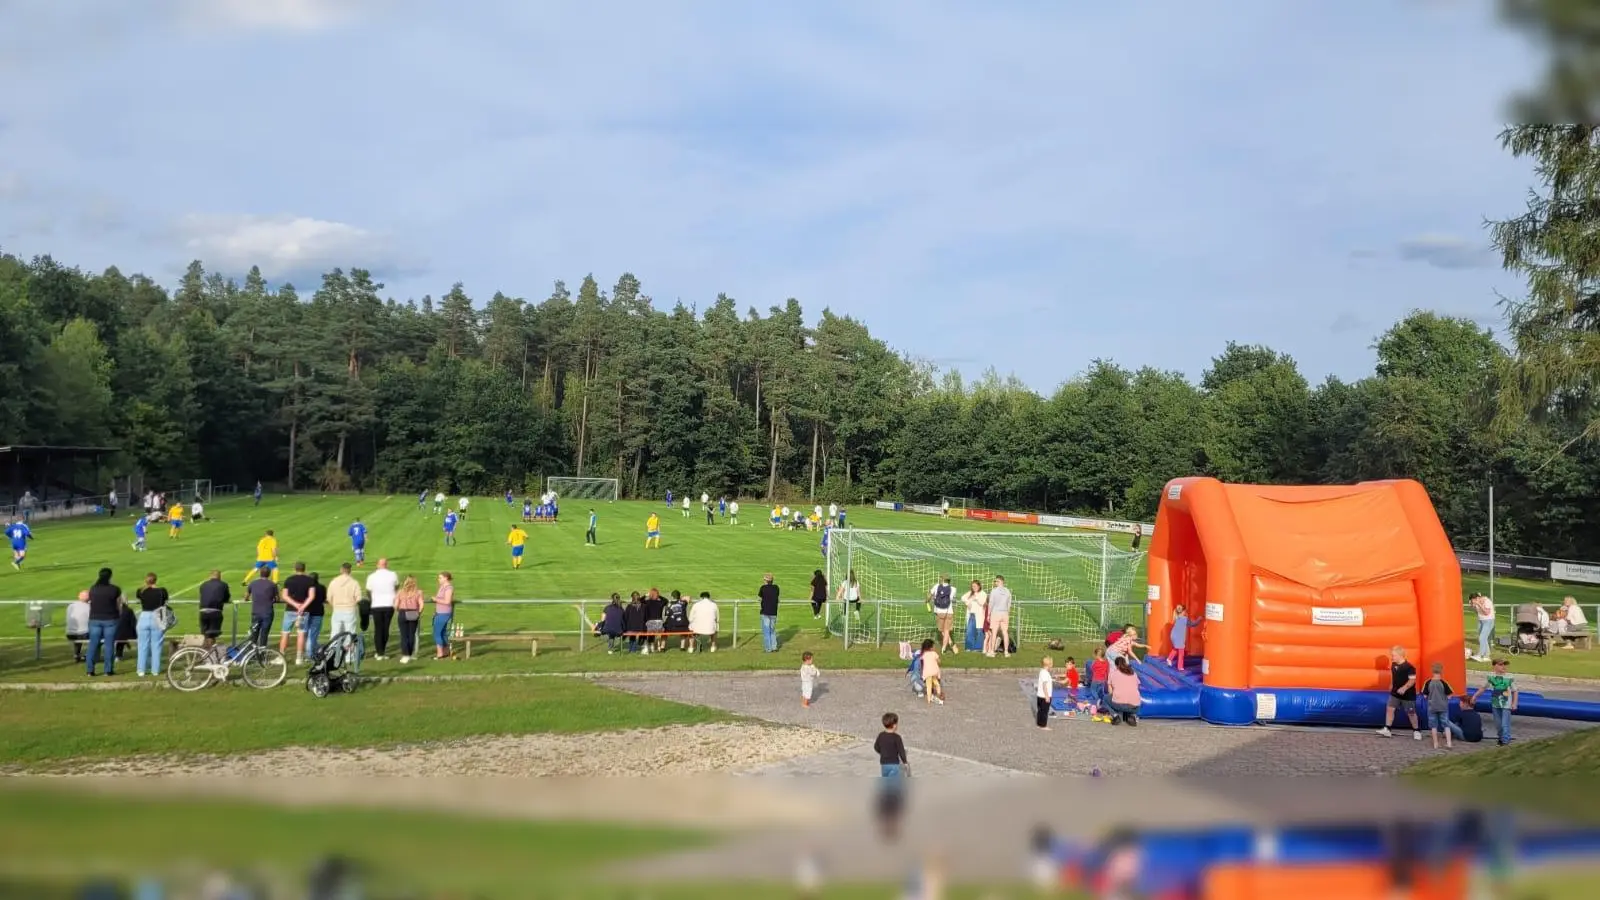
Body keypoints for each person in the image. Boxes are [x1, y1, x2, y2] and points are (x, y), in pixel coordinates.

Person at [873, 712, 909, 841]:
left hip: (884, 765)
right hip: (894, 765)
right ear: (894, 725)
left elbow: (876, 747)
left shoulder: (881, 736)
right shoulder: (896, 738)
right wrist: (905, 762)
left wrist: (883, 752)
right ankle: (892, 825)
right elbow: (901, 751)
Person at [84, 568, 123, 676]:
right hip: (110, 619)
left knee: (93, 644)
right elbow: (119, 604)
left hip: (95, 619)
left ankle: (90, 670)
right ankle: (108, 670)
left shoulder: (93, 588)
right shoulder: (114, 589)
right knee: (109, 645)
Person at [1471, 658, 1518, 746]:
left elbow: (1515, 691)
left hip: (1506, 704)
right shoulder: (1491, 677)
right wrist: (1475, 696)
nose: (1503, 666)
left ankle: (1505, 741)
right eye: (1500, 665)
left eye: (1504, 664)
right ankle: (1501, 738)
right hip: (1495, 704)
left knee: (1505, 724)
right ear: (1494, 666)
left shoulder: (1509, 677)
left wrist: (1514, 703)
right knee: (1498, 724)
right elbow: (1483, 688)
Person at [1379, 645, 1422, 740]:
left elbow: (1412, 681)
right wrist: (1391, 684)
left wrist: (1404, 688)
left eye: (1393, 655)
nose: (1392, 657)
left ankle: (1417, 731)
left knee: (1411, 712)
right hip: (1395, 693)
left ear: (1400, 655)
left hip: (1408, 695)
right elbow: (1393, 675)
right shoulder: (1393, 665)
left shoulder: (1409, 667)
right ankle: (1388, 729)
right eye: (1392, 655)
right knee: (1390, 709)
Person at [133, 572, 171, 678]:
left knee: (142, 645)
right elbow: (166, 600)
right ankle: (155, 670)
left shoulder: (141, 591)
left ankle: (141, 670)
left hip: (144, 617)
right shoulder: (162, 591)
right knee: (156, 645)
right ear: (156, 580)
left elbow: (139, 596)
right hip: (157, 617)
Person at [327, 563, 363, 670]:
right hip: (349, 610)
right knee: (350, 633)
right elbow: (359, 598)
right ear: (350, 570)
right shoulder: (354, 582)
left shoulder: (334, 582)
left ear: (341, 570)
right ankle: (348, 657)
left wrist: (335, 605)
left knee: (335, 633)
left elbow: (329, 597)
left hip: (337, 609)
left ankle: (332, 655)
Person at [1420, 662, 1465, 750]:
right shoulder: (1444, 683)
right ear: (1441, 671)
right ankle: (1449, 743)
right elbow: (1449, 695)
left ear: (1432, 671)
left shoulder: (1428, 682)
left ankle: (1436, 744)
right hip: (1443, 707)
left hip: (1432, 707)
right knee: (1446, 724)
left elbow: (1425, 695)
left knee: (1433, 725)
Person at [280, 563, 316, 664]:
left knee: (285, 632)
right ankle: (299, 658)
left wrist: (296, 605)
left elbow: (285, 596)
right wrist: (302, 606)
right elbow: (311, 596)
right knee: (301, 633)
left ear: (294, 569)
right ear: (304, 569)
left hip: (290, 610)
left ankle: (281, 656)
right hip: (304, 611)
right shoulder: (310, 580)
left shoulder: (289, 580)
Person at [366, 558, 400, 660]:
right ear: (386, 564)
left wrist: (372, 599)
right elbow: (397, 586)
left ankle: (379, 652)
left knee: (378, 629)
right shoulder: (393, 574)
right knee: (385, 628)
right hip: (389, 604)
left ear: (377, 565)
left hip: (376, 605)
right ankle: (382, 651)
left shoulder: (372, 576)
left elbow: (368, 590)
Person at [197, 570, 230, 654]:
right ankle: (210, 656)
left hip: (203, 612)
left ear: (210, 576)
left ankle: (204, 654)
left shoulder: (203, 585)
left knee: (205, 635)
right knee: (212, 635)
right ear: (219, 576)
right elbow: (226, 598)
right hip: (215, 612)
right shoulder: (223, 585)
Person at [394, 574, 425, 664]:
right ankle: (409, 654)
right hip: (413, 612)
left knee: (404, 635)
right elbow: (422, 605)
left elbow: (395, 605)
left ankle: (405, 655)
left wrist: (398, 611)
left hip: (403, 612)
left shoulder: (400, 592)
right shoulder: (418, 592)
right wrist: (419, 613)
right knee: (411, 635)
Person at [1106, 656, 1143, 725]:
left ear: (1116, 665)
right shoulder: (1133, 673)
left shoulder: (1112, 673)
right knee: (1134, 699)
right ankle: (1132, 716)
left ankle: (1115, 716)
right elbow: (1137, 687)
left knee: (1105, 698)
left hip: (1119, 704)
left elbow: (1110, 691)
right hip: (1135, 706)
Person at [246, 567, 277, 646]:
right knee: (264, 634)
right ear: (269, 574)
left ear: (260, 573)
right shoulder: (272, 584)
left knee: (254, 633)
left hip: (256, 612)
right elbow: (277, 598)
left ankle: (252, 652)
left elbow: (246, 597)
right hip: (267, 612)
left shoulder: (253, 583)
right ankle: (262, 653)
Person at [984, 575, 1013, 658]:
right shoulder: (1008, 591)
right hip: (1005, 613)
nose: (995, 583)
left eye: (996, 581)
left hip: (996, 613)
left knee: (994, 632)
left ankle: (992, 651)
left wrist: (988, 614)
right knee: (1005, 632)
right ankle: (1006, 652)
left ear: (1000, 581)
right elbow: (1009, 604)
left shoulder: (994, 591)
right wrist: (1007, 612)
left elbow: (991, 603)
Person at [928, 574, 956, 654]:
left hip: (939, 611)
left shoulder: (936, 586)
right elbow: (953, 599)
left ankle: (948, 644)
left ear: (942, 579)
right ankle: (944, 647)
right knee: (947, 630)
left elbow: (930, 595)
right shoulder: (953, 589)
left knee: (942, 630)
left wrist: (927, 600)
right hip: (949, 611)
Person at [432, 571, 456, 659]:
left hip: (444, 613)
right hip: (440, 612)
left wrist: (435, 599)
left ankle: (440, 654)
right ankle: (446, 651)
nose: (438, 579)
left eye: (440, 578)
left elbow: (447, 601)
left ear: (446, 578)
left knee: (437, 633)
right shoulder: (442, 587)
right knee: (442, 632)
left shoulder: (449, 588)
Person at [961, 580, 986, 652]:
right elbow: (963, 597)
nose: (973, 587)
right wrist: (967, 602)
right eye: (972, 586)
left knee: (979, 631)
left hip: (979, 615)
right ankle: (969, 647)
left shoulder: (982, 593)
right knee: (970, 631)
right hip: (971, 614)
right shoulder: (970, 593)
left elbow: (982, 602)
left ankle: (978, 648)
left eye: (975, 586)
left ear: (979, 586)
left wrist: (976, 597)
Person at [1470, 592, 1496, 662]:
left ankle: (1480, 655)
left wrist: (1479, 604)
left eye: (1474, 600)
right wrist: (1473, 606)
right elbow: (1478, 612)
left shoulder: (1487, 601)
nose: (1474, 602)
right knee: (1483, 639)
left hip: (1488, 621)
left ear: (1477, 598)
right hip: (1481, 621)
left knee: (1482, 638)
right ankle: (1486, 656)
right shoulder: (1476, 602)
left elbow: (1486, 613)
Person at [759, 573, 781, 652]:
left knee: (766, 631)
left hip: (765, 612)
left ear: (766, 581)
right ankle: (774, 647)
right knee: (772, 630)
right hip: (774, 612)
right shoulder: (776, 588)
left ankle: (768, 648)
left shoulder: (763, 588)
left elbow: (760, 596)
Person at [65, 593, 90, 663]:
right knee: (97, 634)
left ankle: (77, 654)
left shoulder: (71, 606)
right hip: (83, 634)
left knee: (80, 632)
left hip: (69, 634)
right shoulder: (89, 607)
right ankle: (90, 655)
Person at [920, 638, 944, 705]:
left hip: (927, 673)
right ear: (931, 647)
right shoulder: (934, 653)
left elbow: (921, 662)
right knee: (937, 684)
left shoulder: (923, 654)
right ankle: (939, 696)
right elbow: (939, 661)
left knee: (929, 686)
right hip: (934, 672)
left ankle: (929, 700)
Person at [1035, 655, 1055, 729]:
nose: (1052, 665)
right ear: (1049, 665)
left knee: (1040, 711)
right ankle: (1043, 725)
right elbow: (1044, 686)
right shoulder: (1046, 674)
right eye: (1052, 664)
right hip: (1044, 696)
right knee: (1044, 711)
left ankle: (1039, 724)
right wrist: (1047, 696)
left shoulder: (1042, 671)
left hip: (1039, 696)